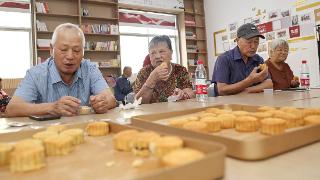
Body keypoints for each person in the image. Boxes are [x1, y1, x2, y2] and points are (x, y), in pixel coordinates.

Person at [6, 23, 116, 117]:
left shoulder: (90, 69)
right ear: (51, 50)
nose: (70, 56)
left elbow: (110, 99)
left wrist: (102, 103)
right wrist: (52, 107)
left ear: (83, 52)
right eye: (63, 49)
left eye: (76, 50)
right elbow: (12, 109)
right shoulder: (36, 74)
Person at [212, 23, 273, 96]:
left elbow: (269, 84)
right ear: (237, 41)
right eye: (249, 42)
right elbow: (221, 90)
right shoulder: (224, 59)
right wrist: (249, 81)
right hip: (229, 104)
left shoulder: (258, 59)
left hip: (252, 101)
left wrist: (246, 91)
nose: (253, 46)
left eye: (256, 41)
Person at [133, 35, 194, 104]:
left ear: (171, 53)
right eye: (153, 53)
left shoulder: (180, 69)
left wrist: (183, 94)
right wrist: (151, 79)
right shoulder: (144, 72)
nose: (157, 56)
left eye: (161, 51)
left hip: (176, 112)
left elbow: (191, 93)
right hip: (151, 113)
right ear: (149, 56)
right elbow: (138, 102)